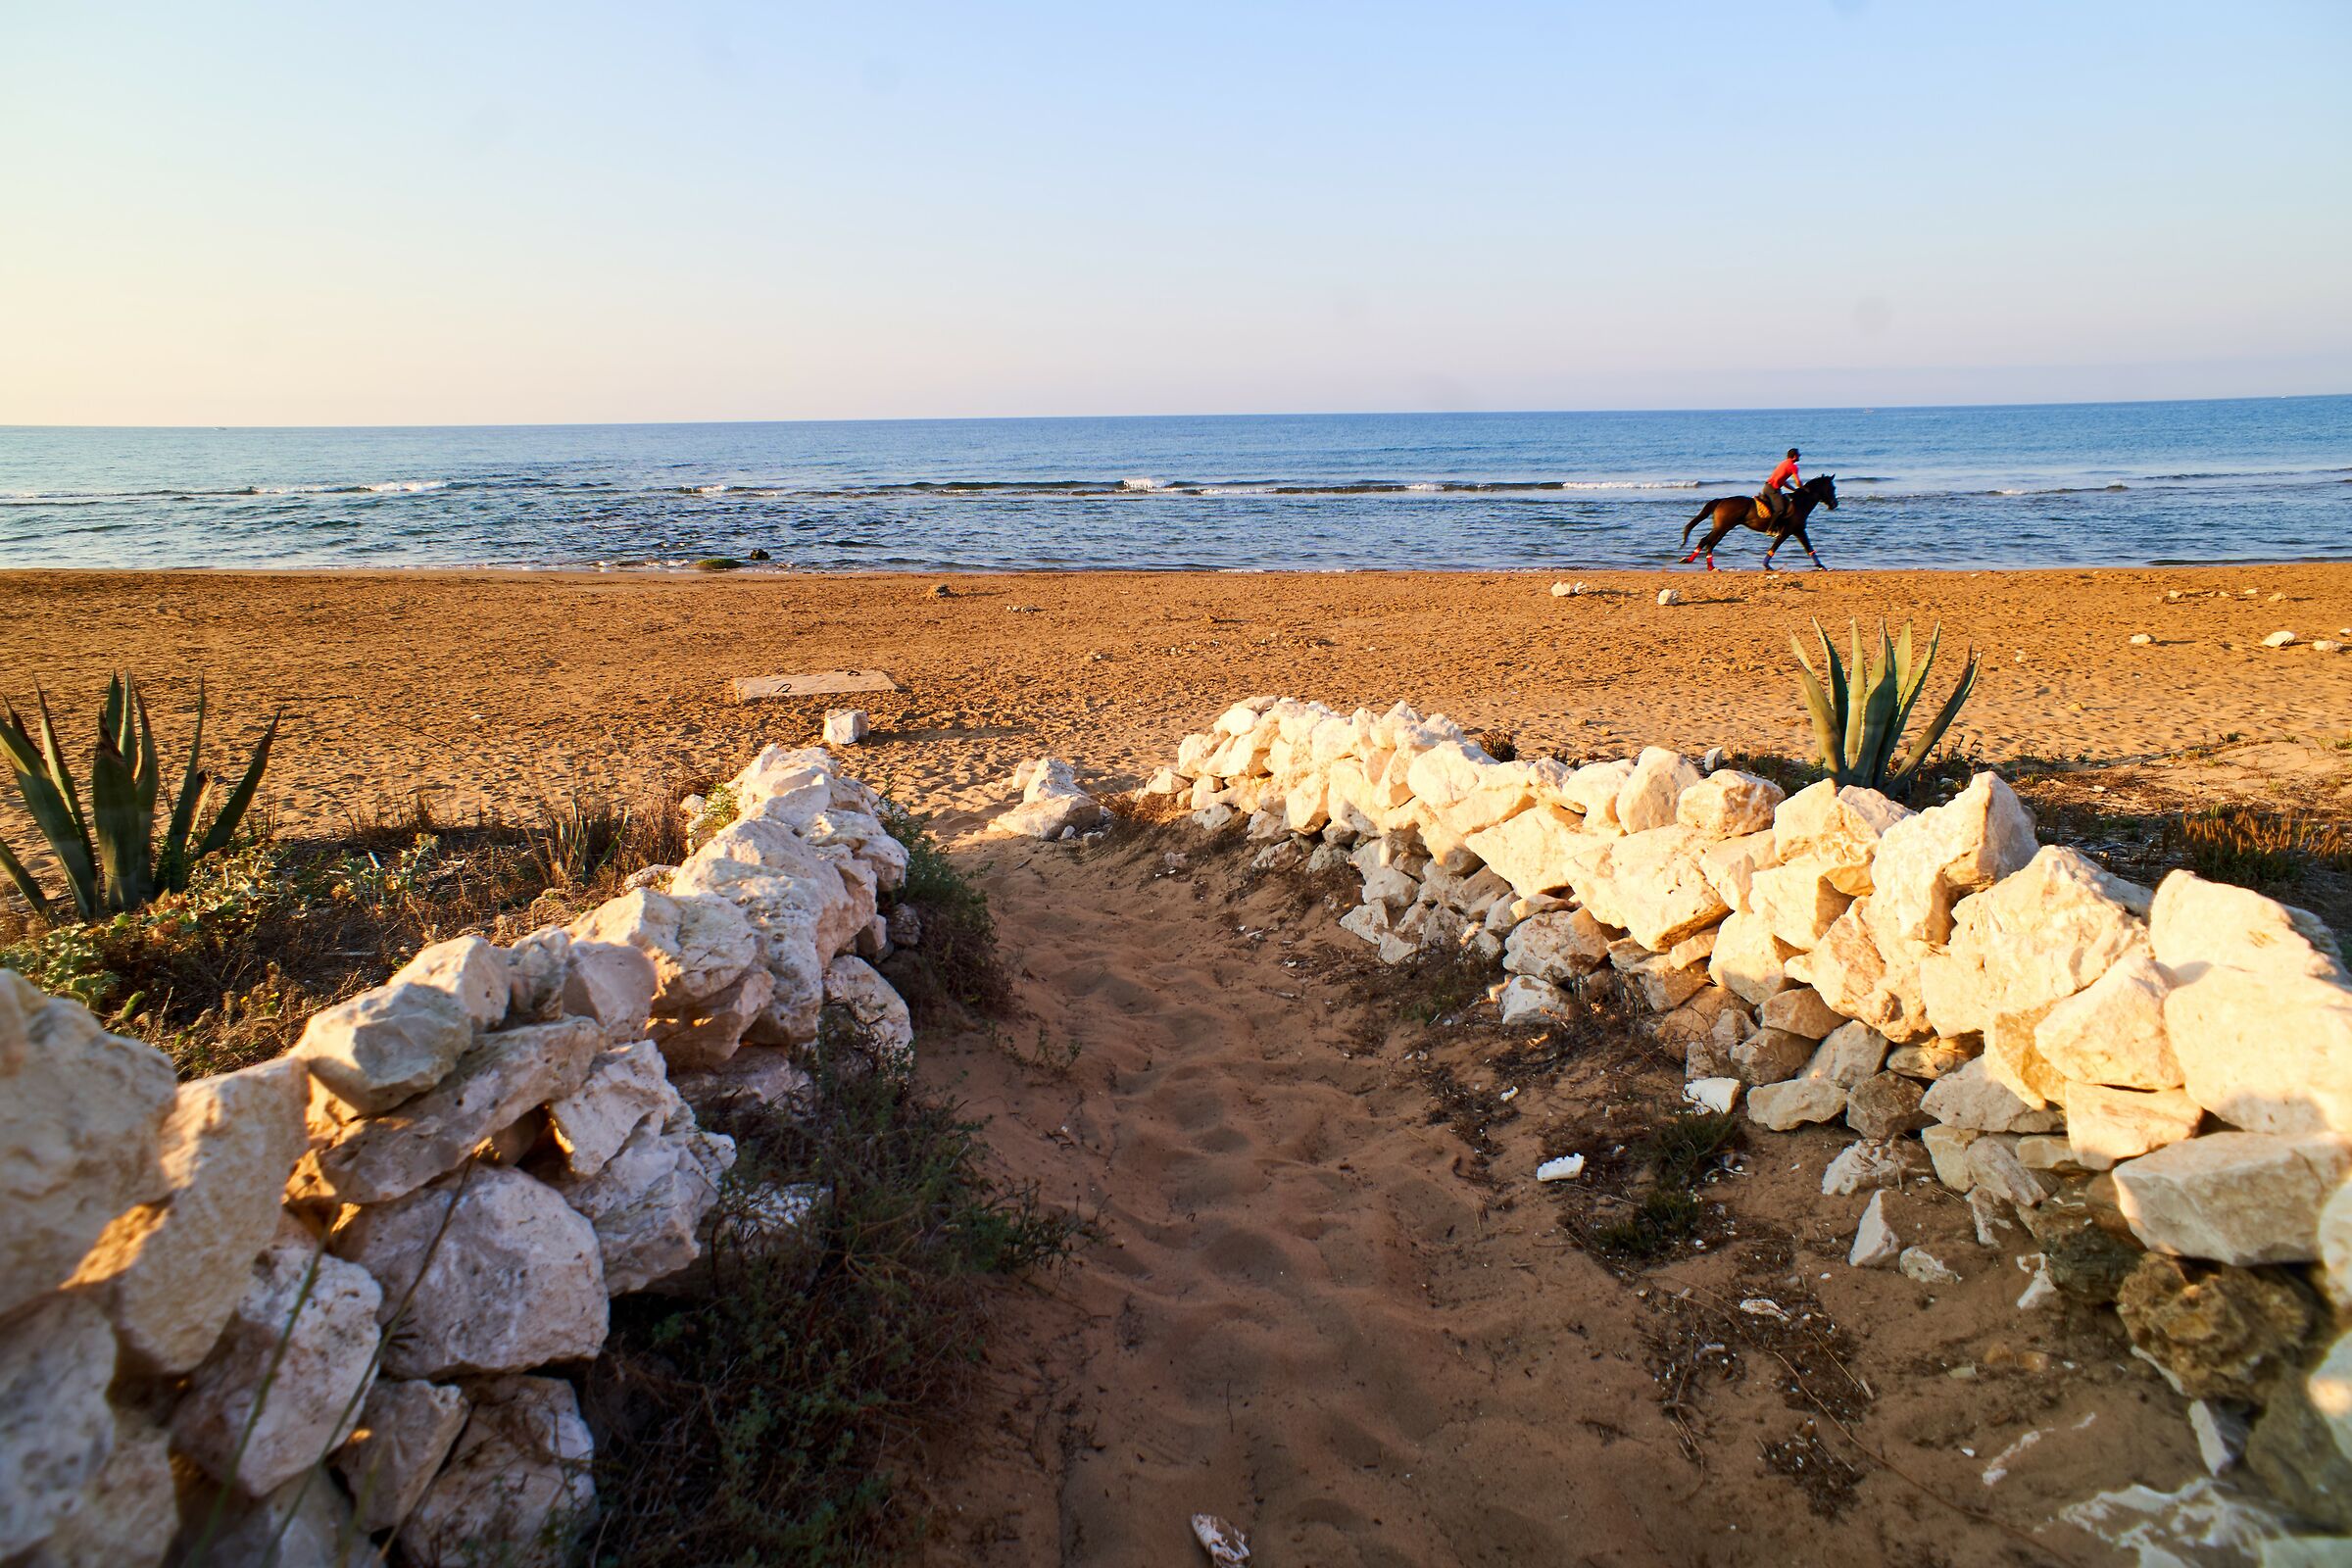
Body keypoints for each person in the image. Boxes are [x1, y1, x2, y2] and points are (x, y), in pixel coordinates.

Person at [1757, 448, 1800, 521]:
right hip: (1773, 489)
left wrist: (1794, 490)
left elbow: (1784, 482)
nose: (1800, 456)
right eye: (1799, 455)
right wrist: (1802, 488)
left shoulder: (1784, 463)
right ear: (1795, 456)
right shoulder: (1793, 466)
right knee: (1780, 509)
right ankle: (1771, 529)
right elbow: (1798, 482)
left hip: (1768, 487)